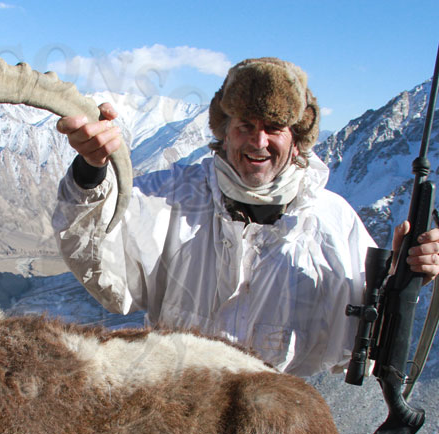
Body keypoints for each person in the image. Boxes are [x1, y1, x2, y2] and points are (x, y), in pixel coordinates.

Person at [54, 57, 439, 376]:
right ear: (224, 132)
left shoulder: (333, 221)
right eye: (245, 126)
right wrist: (93, 170)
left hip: (275, 424)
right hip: (175, 410)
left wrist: (402, 280)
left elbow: (363, 338)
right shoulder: (170, 197)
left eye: (274, 128)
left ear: (297, 137)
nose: (258, 142)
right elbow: (101, 257)